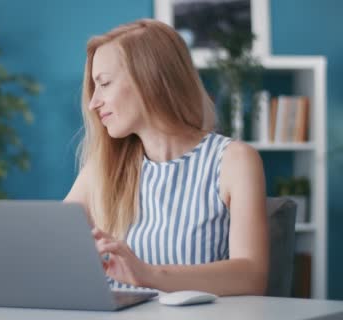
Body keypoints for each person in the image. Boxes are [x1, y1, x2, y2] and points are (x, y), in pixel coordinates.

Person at [64, 19, 268, 296]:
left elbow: (251, 276)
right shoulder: (102, 167)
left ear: (150, 79)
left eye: (105, 83)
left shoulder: (233, 161)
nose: (93, 102)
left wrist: (147, 273)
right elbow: (53, 247)